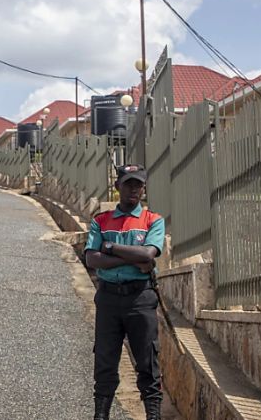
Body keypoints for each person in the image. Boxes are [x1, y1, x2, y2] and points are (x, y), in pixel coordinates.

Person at [84, 164, 165, 420]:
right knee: (105, 362)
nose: (133, 189)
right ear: (117, 186)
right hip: (108, 299)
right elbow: (92, 260)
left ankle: (153, 416)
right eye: (128, 183)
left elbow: (148, 254)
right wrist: (132, 259)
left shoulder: (153, 220)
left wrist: (109, 247)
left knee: (147, 363)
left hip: (140, 299)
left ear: (143, 188)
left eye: (138, 184)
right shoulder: (101, 221)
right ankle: (100, 415)